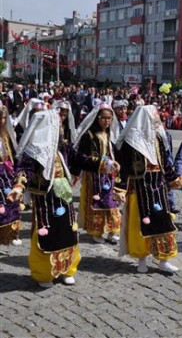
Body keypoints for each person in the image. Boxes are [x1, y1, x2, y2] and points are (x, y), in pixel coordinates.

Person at [8, 109, 119, 288]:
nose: (61, 128)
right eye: (57, 125)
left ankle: (67, 269)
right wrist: (19, 186)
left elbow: (81, 159)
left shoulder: (62, 147)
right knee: (48, 233)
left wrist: (105, 164)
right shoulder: (33, 151)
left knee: (68, 231)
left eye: (60, 124)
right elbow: (24, 170)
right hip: (45, 198)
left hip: (64, 195)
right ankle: (45, 272)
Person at [115, 105, 182, 273]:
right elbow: (124, 168)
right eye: (154, 118)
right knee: (139, 226)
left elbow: (166, 165)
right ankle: (141, 259)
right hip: (138, 190)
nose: (157, 121)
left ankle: (164, 259)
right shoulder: (130, 142)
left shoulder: (158, 139)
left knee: (164, 224)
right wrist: (120, 189)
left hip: (158, 189)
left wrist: (176, 180)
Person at [74, 103, 122, 244]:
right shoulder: (88, 136)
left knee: (111, 202)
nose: (106, 121)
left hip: (107, 176)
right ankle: (97, 230)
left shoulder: (108, 134)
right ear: (97, 118)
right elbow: (82, 157)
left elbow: (110, 154)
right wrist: (103, 163)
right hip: (94, 175)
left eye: (109, 118)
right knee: (97, 203)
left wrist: (114, 163)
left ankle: (113, 229)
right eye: (103, 118)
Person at [0, 103, 21, 246]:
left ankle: (6, 235)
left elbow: (11, 154)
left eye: (4, 118)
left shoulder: (5, 135)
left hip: (5, 174)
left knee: (9, 204)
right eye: (1, 118)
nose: (2, 121)